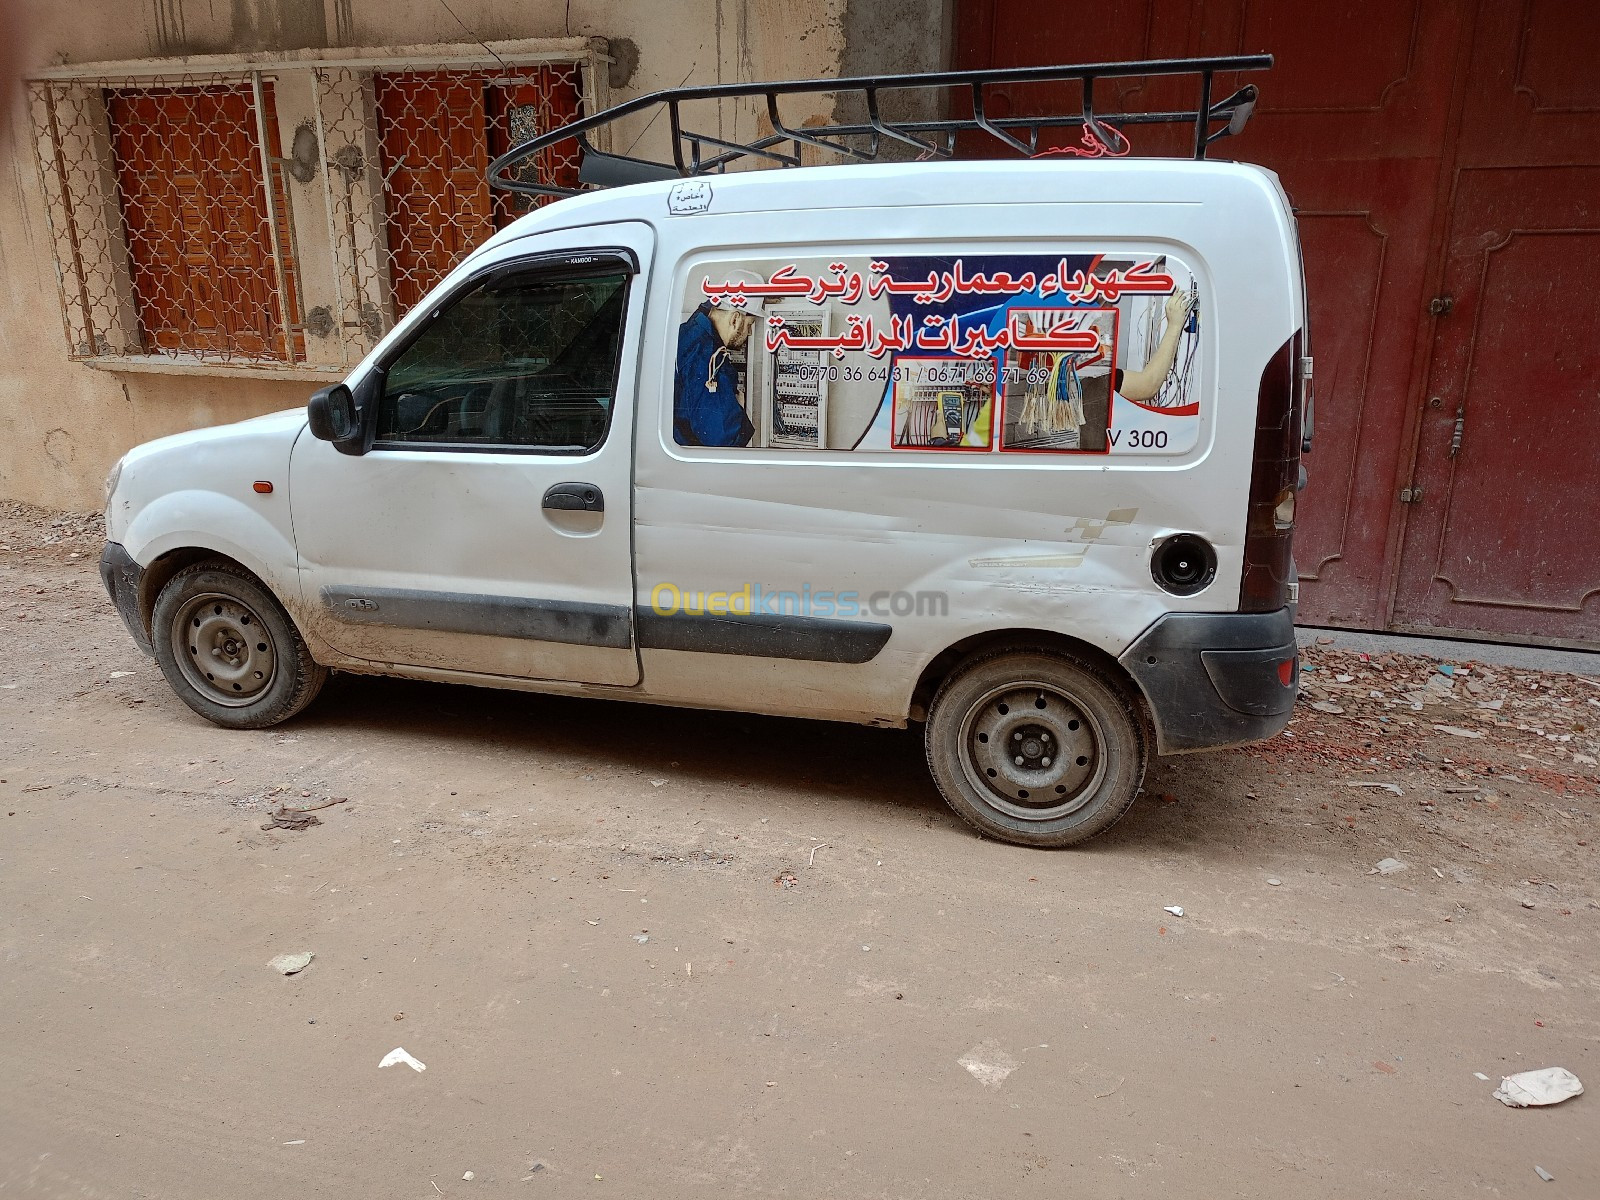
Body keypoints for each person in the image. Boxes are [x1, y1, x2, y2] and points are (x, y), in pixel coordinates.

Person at [673, 273, 765, 446]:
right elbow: (723, 441)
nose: (750, 333)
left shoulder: (690, 330)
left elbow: (706, 308)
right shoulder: (709, 359)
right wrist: (737, 407)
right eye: (750, 324)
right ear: (736, 319)